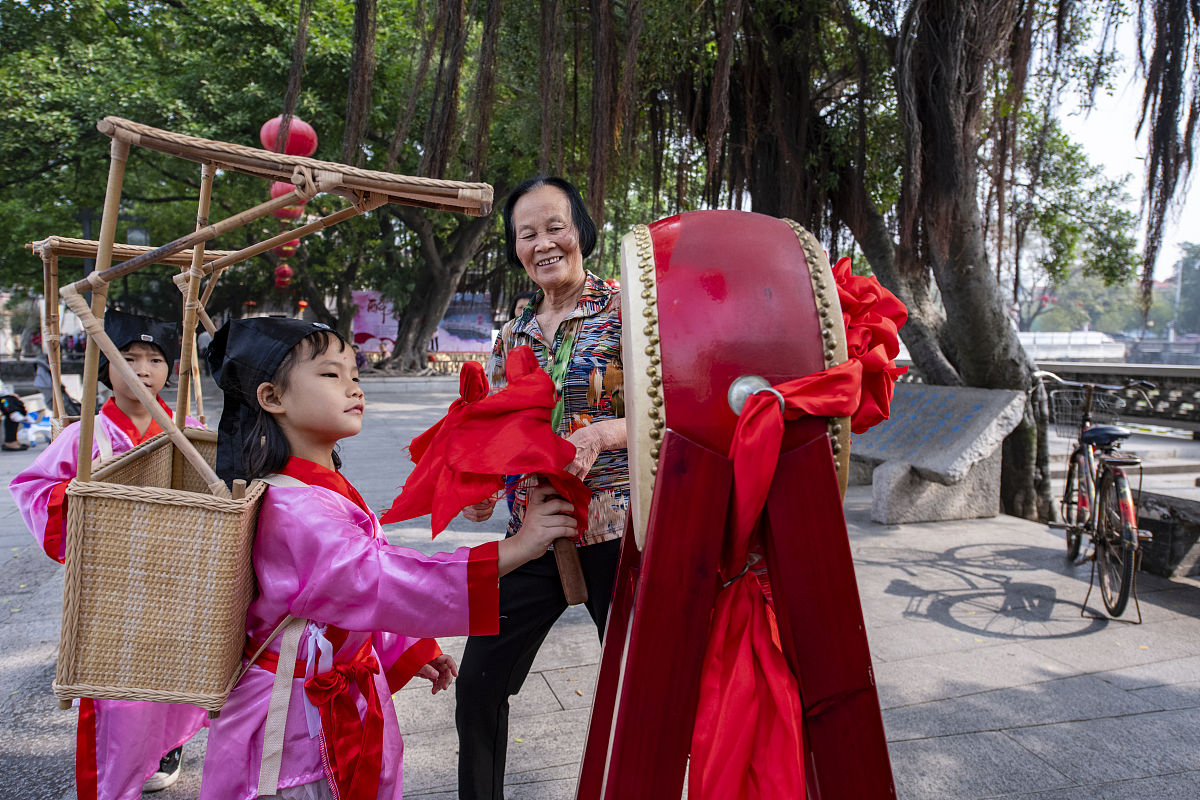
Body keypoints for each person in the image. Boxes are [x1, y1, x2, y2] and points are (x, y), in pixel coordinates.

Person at [199, 317, 576, 800]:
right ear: (272, 398)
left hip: (334, 695)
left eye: (355, 374)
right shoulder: (293, 507)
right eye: (331, 374)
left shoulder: (315, 487)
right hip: (291, 721)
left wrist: (407, 648)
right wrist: (515, 549)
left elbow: (352, 590)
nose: (354, 387)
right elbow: (374, 578)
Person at [455, 176, 629, 799]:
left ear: (581, 230)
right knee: (478, 683)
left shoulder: (632, 314)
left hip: (619, 530)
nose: (543, 243)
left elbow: (673, 411)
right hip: (534, 534)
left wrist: (603, 433)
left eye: (555, 226)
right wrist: (482, 487)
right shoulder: (512, 335)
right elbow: (500, 429)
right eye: (526, 234)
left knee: (638, 689)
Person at [9, 310, 207, 798]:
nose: (142, 369)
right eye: (128, 358)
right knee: (118, 684)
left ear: (171, 369)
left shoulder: (189, 428)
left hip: (177, 575)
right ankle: (121, 766)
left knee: (178, 666)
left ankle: (167, 745)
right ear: (105, 369)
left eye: (155, 359)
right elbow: (31, 488)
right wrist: (81, 494)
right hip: (112, 581)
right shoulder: (84, 435)